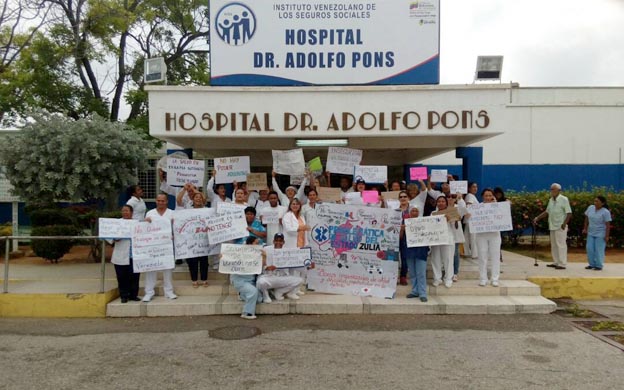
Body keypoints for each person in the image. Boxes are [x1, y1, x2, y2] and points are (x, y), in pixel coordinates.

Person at [142, 193, 177, 302]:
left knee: (168, 268)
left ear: (167, 201)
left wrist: (173, 233)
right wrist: (145, 222)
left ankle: (169, 291)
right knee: (151, 268)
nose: (160, 202)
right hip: (153, 245)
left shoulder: (172, 213)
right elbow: (144, 229)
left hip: (167, 245)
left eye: (163, 201)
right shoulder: (150, 213)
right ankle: (149, 292)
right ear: (156, 201)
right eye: (158, 200)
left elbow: (177, 229)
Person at [533, 183, 572, 269]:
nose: (552, 191)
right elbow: (547, 212)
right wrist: (537, 218)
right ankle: (556, 262)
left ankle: (562, 263)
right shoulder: (551, 200)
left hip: (560, 225)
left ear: (559, 190)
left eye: (554, 189)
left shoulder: (564, 199)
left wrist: (564, 223)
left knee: (561, 244)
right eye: (551, 189)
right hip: (552, 225)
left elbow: (569, 213)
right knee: (554, 244)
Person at [257, 233, 304, 302]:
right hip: (269, 276)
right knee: (261, 282)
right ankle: (265, 295)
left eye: (280, 241)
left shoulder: (288, 251)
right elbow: (258, 264)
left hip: (282, 277)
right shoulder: (266, 249)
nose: (278, 243)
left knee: (299, 280)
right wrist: (267, 267)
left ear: (283, 242)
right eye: (276, 241)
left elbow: (295, 265)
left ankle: (279, 292)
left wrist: (308, 265)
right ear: (273, 241)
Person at [111, 205, 140, 303]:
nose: (125, 213)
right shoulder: (117, 223)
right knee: (122, 277)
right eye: (123, 211)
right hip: (120, 255)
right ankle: (124, 295)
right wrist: (115, 238)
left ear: (131, 212)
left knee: (134, 276)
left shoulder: (137, 223)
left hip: (134, 255)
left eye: (127, 211)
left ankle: (133, 295)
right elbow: (109, 237)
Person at [230, 236, 264, 319]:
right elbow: (229, 260)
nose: (258, 244)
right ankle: (247, 313)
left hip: (250, 280)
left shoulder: (257, 253)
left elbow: (260, 266)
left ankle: (242, 295)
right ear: (250, 243)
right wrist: (223, 257)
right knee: (253, 292)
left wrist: (264, 256)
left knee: (259, 299)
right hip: (239, 280)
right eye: (256, 243)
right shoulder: (240, 252)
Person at [282, 198, 311, 295]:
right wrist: (301, 228)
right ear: (290, 205)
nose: (295, 206)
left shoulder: (302, 216)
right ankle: (290, 291)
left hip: (302, 243)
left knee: (302, 268)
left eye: (297, 204)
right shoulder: (287, 216)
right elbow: (289, 229)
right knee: (292, 269)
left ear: (300, 206)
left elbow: (306, 231)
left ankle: (296, 289)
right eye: (293, 204)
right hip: (291, 244)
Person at [401, 205, 429, 302]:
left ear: (419, 212)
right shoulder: (405, 223)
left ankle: (422, 293)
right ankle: (415, 291)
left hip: (421, 251)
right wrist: (402, 229)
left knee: (421, 273)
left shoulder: (425, 223)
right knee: (412, 272)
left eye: (416, 211)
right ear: (409, 212)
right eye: (412, 211)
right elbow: (400, 237)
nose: (414, 213)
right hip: (409, 250)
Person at [475, 188, 502, 287]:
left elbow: (503, 216)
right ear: (483, 196)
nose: (488, 197)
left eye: (490, 195)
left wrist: (497, 205)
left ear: (493, 196)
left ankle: (495, 279)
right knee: (482, 256)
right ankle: (483, 278)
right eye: (486, 195)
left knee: (495, 256)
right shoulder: (477, 208)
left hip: (494, 234)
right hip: (481, 235)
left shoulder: (498, 206)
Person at [185, 192, 210, 287]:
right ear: (193, 199)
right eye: (196, 197)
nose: (198, 199)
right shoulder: (188, 211)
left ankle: (204, 279)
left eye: (200, 197)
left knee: (204, 260)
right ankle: (194, 279)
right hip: (191, 239)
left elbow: (211, 221)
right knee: (192, 260)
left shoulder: (207, 210)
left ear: (203, 200)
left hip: (203, 238)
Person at [583, 196, 612, 271]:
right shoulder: (590, 208)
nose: (595, 203)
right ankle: (591, 264)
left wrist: (607, 236)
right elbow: (586, 218)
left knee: (599, 250)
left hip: (601, 233)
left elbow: (607, 225)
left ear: (602, 203)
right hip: (591, 232)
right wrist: (585, 228)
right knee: (589, 248)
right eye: (595, 201)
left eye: (597, 201)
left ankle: (599, 265)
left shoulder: (605, 212)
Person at [397, 191, 411, 286]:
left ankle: (403, 276)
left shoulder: (412, 209)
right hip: (396, 235)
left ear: (408, 198)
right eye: (401, 197)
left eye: (405, 196)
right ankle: (393, 276)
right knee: (393, 256)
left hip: (408, 235)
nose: (403, 198)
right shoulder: (395, 210)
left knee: (405, 257)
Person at [463, 182, 479, 259]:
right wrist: (467, 212)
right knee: (473, 237)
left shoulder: (469, 196)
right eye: (473, 187)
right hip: (472, 220)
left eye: (476, 187)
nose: (475, 188)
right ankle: (474, 254)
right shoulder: (470, 196)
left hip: (468, 220)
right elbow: (469, 205)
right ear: (469, 188)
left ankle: (467, 252)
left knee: (467, 237)